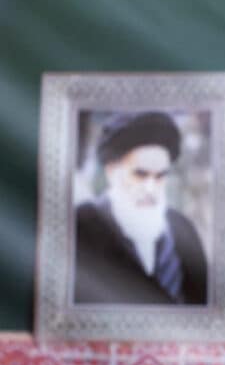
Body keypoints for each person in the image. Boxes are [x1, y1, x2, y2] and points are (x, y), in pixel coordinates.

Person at [73, 111, 208, 305]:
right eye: (140, 175)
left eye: (160, 176)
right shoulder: (81, 226)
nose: (150, 189)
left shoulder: (183, 229)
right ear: (111, 172)